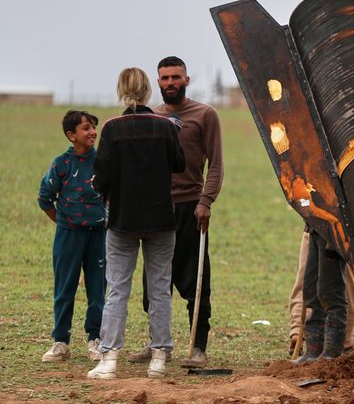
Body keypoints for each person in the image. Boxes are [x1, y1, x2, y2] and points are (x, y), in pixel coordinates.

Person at [87, 67, 185, 379]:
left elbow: (101, 177)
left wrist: (99, 184)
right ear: (147, 91)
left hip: (122, 219)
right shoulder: (166, 126)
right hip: (160, 217)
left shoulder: (113, 129)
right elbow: (179, 164)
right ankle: (159, 356)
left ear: (121, 90)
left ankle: (109, 359)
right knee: (159, 289)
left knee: (117, 288)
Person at [127, 56, 223, 368]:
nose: (170, 83)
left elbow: (216, 164)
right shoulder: (152, 116)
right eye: (165, 78)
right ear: (158, 82)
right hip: (156, 209)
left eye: (176, 77)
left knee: (195, 279)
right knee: (154, 280)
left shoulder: (205, 115)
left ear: (187, 80)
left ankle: (198, 347)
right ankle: (158, 344)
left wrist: (205, 201)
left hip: (191, 208)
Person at [37, 110, 107, 363]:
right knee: (65, 288)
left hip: (98, 235)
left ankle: (96, 339)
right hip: (68, 236)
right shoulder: (61, 164)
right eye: (86, 128)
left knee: (98, 289)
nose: (92, 132)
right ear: (71, 135)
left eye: (93, 127)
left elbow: (111, 194)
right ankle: (60, 341)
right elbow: (44, 197)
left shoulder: (102, 161)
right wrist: (64, 221)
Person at [288, 227, 354, 356]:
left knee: (307, 276)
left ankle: (298, 332)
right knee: (344, 279)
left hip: (314, 216)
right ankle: (344, 341)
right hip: (341, 223)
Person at [293, 225, 348, 363]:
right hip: (316, 226)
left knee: (330, 291)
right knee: (311, 290)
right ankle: (313, 350)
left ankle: (331, 354)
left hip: (334, 227)